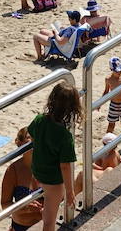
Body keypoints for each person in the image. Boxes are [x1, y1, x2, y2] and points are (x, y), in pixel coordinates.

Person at [28, 84, 79, 231]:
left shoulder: (39, 120)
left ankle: (47, 210)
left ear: (51, 99)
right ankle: (48, 213)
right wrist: (69, 192)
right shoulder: (65, 136)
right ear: (72, 108)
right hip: (53, 181)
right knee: (50, 222)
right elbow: (65, 166)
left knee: (49, 206)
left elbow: (31, 134)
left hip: (37, 172)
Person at [0, 126, 44, 231]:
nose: (34, 141)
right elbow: (5, 204)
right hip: (21, 226)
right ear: (20, 144)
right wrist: (23, 206)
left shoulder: (50, 167)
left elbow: (63, 198)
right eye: (30, 138)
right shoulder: (13, 170)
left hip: (46, 225)